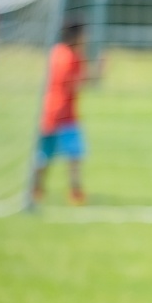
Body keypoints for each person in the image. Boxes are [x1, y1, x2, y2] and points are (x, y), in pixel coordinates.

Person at [33, 21, 88, 206]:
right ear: (76, 35)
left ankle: (36, 188)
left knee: (44, 154)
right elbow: (74, 84)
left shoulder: (56, 52)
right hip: (66, 115)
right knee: (75, 155)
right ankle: (75, 191)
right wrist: (97, 73)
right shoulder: (73, 57)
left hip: (49, 111)